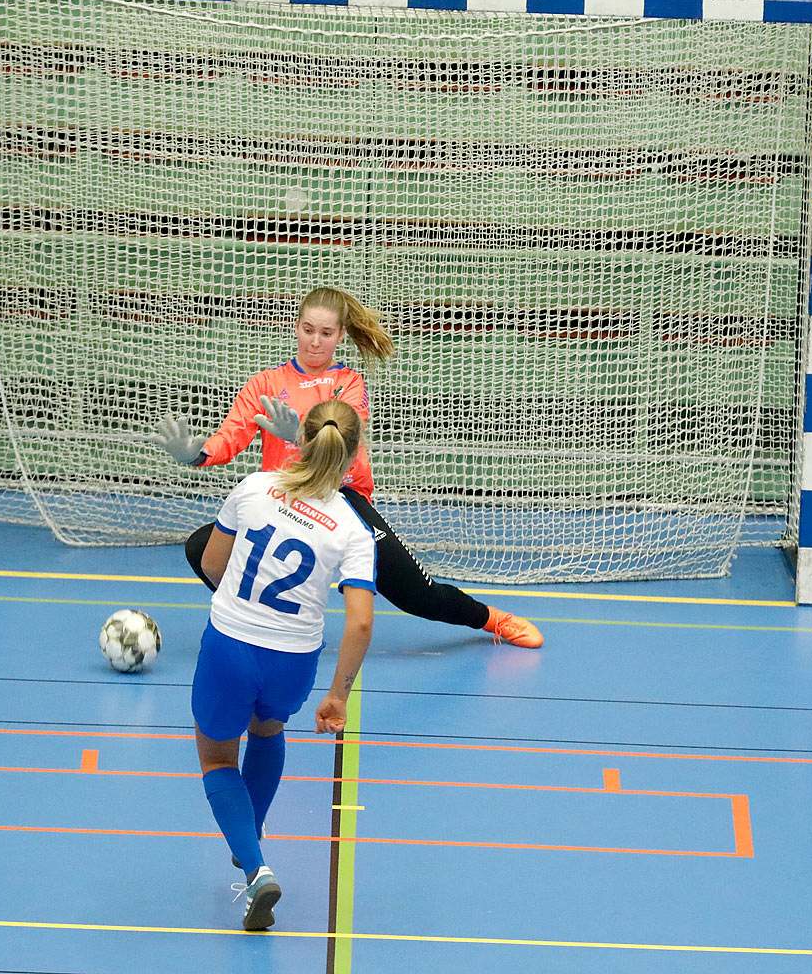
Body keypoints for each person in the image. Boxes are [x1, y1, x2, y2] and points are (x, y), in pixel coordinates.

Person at [149, 286, 543, 648]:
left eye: (325, 333)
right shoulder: (265, 384)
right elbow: (230, 437)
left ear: (340, 336)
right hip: (286, 496)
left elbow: (345, 445)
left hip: (342, 497)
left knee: (416, 593)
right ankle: (258, 620)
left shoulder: (347, 383)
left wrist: (298, 435)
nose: (315, 341)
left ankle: (492, 619)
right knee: (204, 548)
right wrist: (198, 453)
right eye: (307, 330)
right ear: (296, 327)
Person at [192, 398, 377, 931]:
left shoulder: (253, 487)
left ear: (302, 437)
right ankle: (249, 831)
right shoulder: (353, 530)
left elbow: (210, 563)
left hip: (231, 645)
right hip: (295, 660)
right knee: (268, 728)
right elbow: (361, 625)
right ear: (353, 455)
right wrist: (338, 695)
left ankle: (255, 869)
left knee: (217, 758)